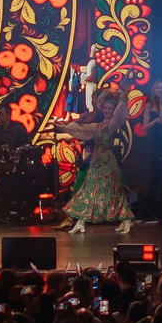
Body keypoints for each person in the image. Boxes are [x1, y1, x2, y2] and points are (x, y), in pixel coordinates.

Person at [54, 83, 135, 235]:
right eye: (105, 108)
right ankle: (81, 222)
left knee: (113, 192)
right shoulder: (99, 125)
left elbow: (120, 112)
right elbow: (82, 129)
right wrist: (64, 128)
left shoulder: (111, 125)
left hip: (107, 162)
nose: (106, 110)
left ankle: (126, 219)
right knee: (89, 190)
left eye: (110, 108)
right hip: (97, 162)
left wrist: (123, 98)